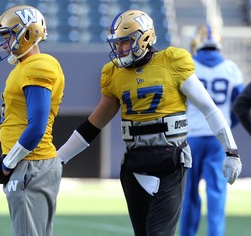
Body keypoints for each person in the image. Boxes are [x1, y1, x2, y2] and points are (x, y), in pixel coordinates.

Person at [56, 10, 242, 236]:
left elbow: (209, 109)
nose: (120, 49)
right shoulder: (114, 73)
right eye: (117, 44)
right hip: (135, 164)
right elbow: (94, 124)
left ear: (143, 38)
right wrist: (60, 158)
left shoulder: (172, 61)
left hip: (171, 161)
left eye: (124, 43)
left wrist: (231, 151)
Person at [0, 5, 65, 236]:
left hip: (31, 164)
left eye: (8, 35)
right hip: (29, 163)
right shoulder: (25, 67)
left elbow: (37, 127)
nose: (4, 43)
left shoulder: (37, 66)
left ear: (28, 34)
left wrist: (6, 164)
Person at [180, 25, 244, 236]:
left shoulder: (188, 66)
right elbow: (240, 104)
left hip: (191, 137)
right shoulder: (231, 68)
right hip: (219, 139)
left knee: (188, 194)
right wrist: (228, 125)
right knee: (217, 193)